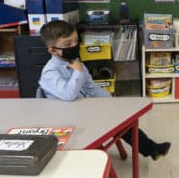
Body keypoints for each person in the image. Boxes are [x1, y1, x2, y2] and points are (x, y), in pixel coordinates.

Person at [38, 20, 170, 160]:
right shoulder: (50, 72)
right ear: (53, 51)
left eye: (76, 41)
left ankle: (151, 149)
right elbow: (68, 95)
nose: (75, 46)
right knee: (123, 124)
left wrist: (109, 101)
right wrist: (77, 72)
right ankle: (151, 149)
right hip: (70, 120)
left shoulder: (75, 62)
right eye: (68, 44)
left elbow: (91, 87)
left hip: (87, 109)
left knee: (126, 120)